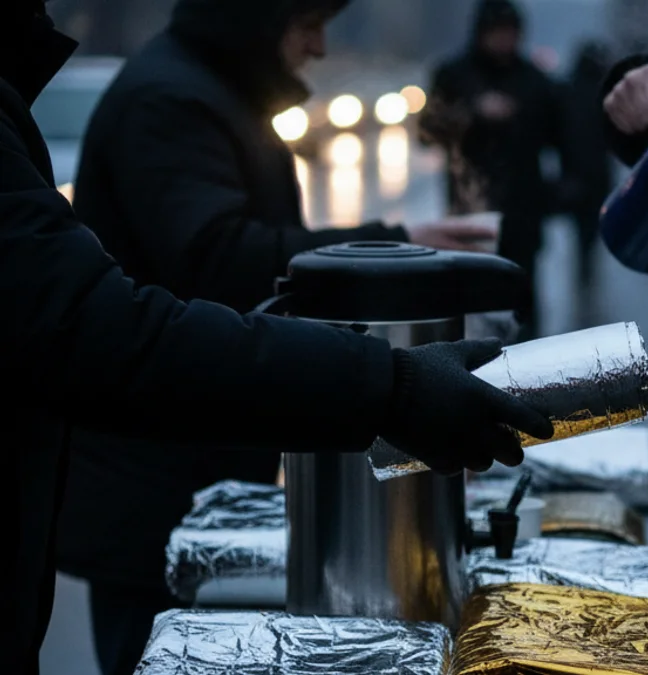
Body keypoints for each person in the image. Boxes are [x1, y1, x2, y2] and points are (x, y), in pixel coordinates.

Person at [0, 4, 554, 674]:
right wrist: (391, 376)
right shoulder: (170, 99)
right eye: (309, 22)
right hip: (151, 488)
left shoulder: (210, 92)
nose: (320, 47)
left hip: (183, 462)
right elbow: (195, 275)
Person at [418, 0, 565, 340]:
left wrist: (565, 188)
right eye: (497, 33)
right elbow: (427, 132)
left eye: (510, 34)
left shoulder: (535, 80)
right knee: (471, 300)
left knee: (523, 297)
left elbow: (560, 136)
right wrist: (472, 113)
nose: (503, 41)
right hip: (470, 211)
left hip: (524, 208)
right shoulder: (454, 75)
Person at [559, 40, 615, 296]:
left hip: (576, 174)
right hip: (594, 175)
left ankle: (584, 275)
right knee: (589, 231)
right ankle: (586, 275)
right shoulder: (604, 94)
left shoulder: (569, 90)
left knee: (583, 232)